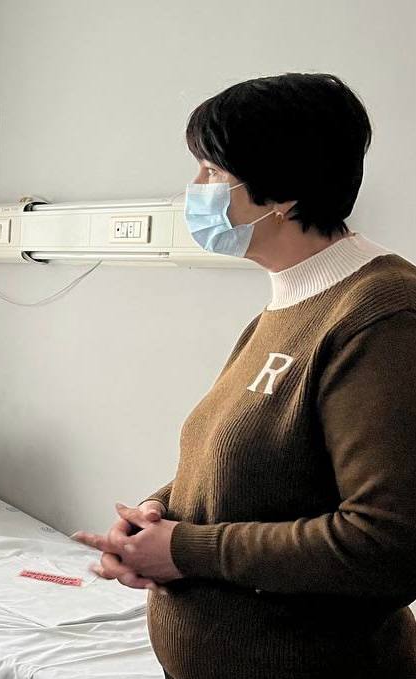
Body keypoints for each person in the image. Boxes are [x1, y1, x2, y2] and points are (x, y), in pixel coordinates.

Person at [75, 73, 416, 679]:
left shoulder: (382, 314)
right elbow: (254, 466)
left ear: (283, 191)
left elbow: (388, 543)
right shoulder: (288, 305)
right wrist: (154, 515)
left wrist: (184, 550)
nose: (194, 190)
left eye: (211, 171)